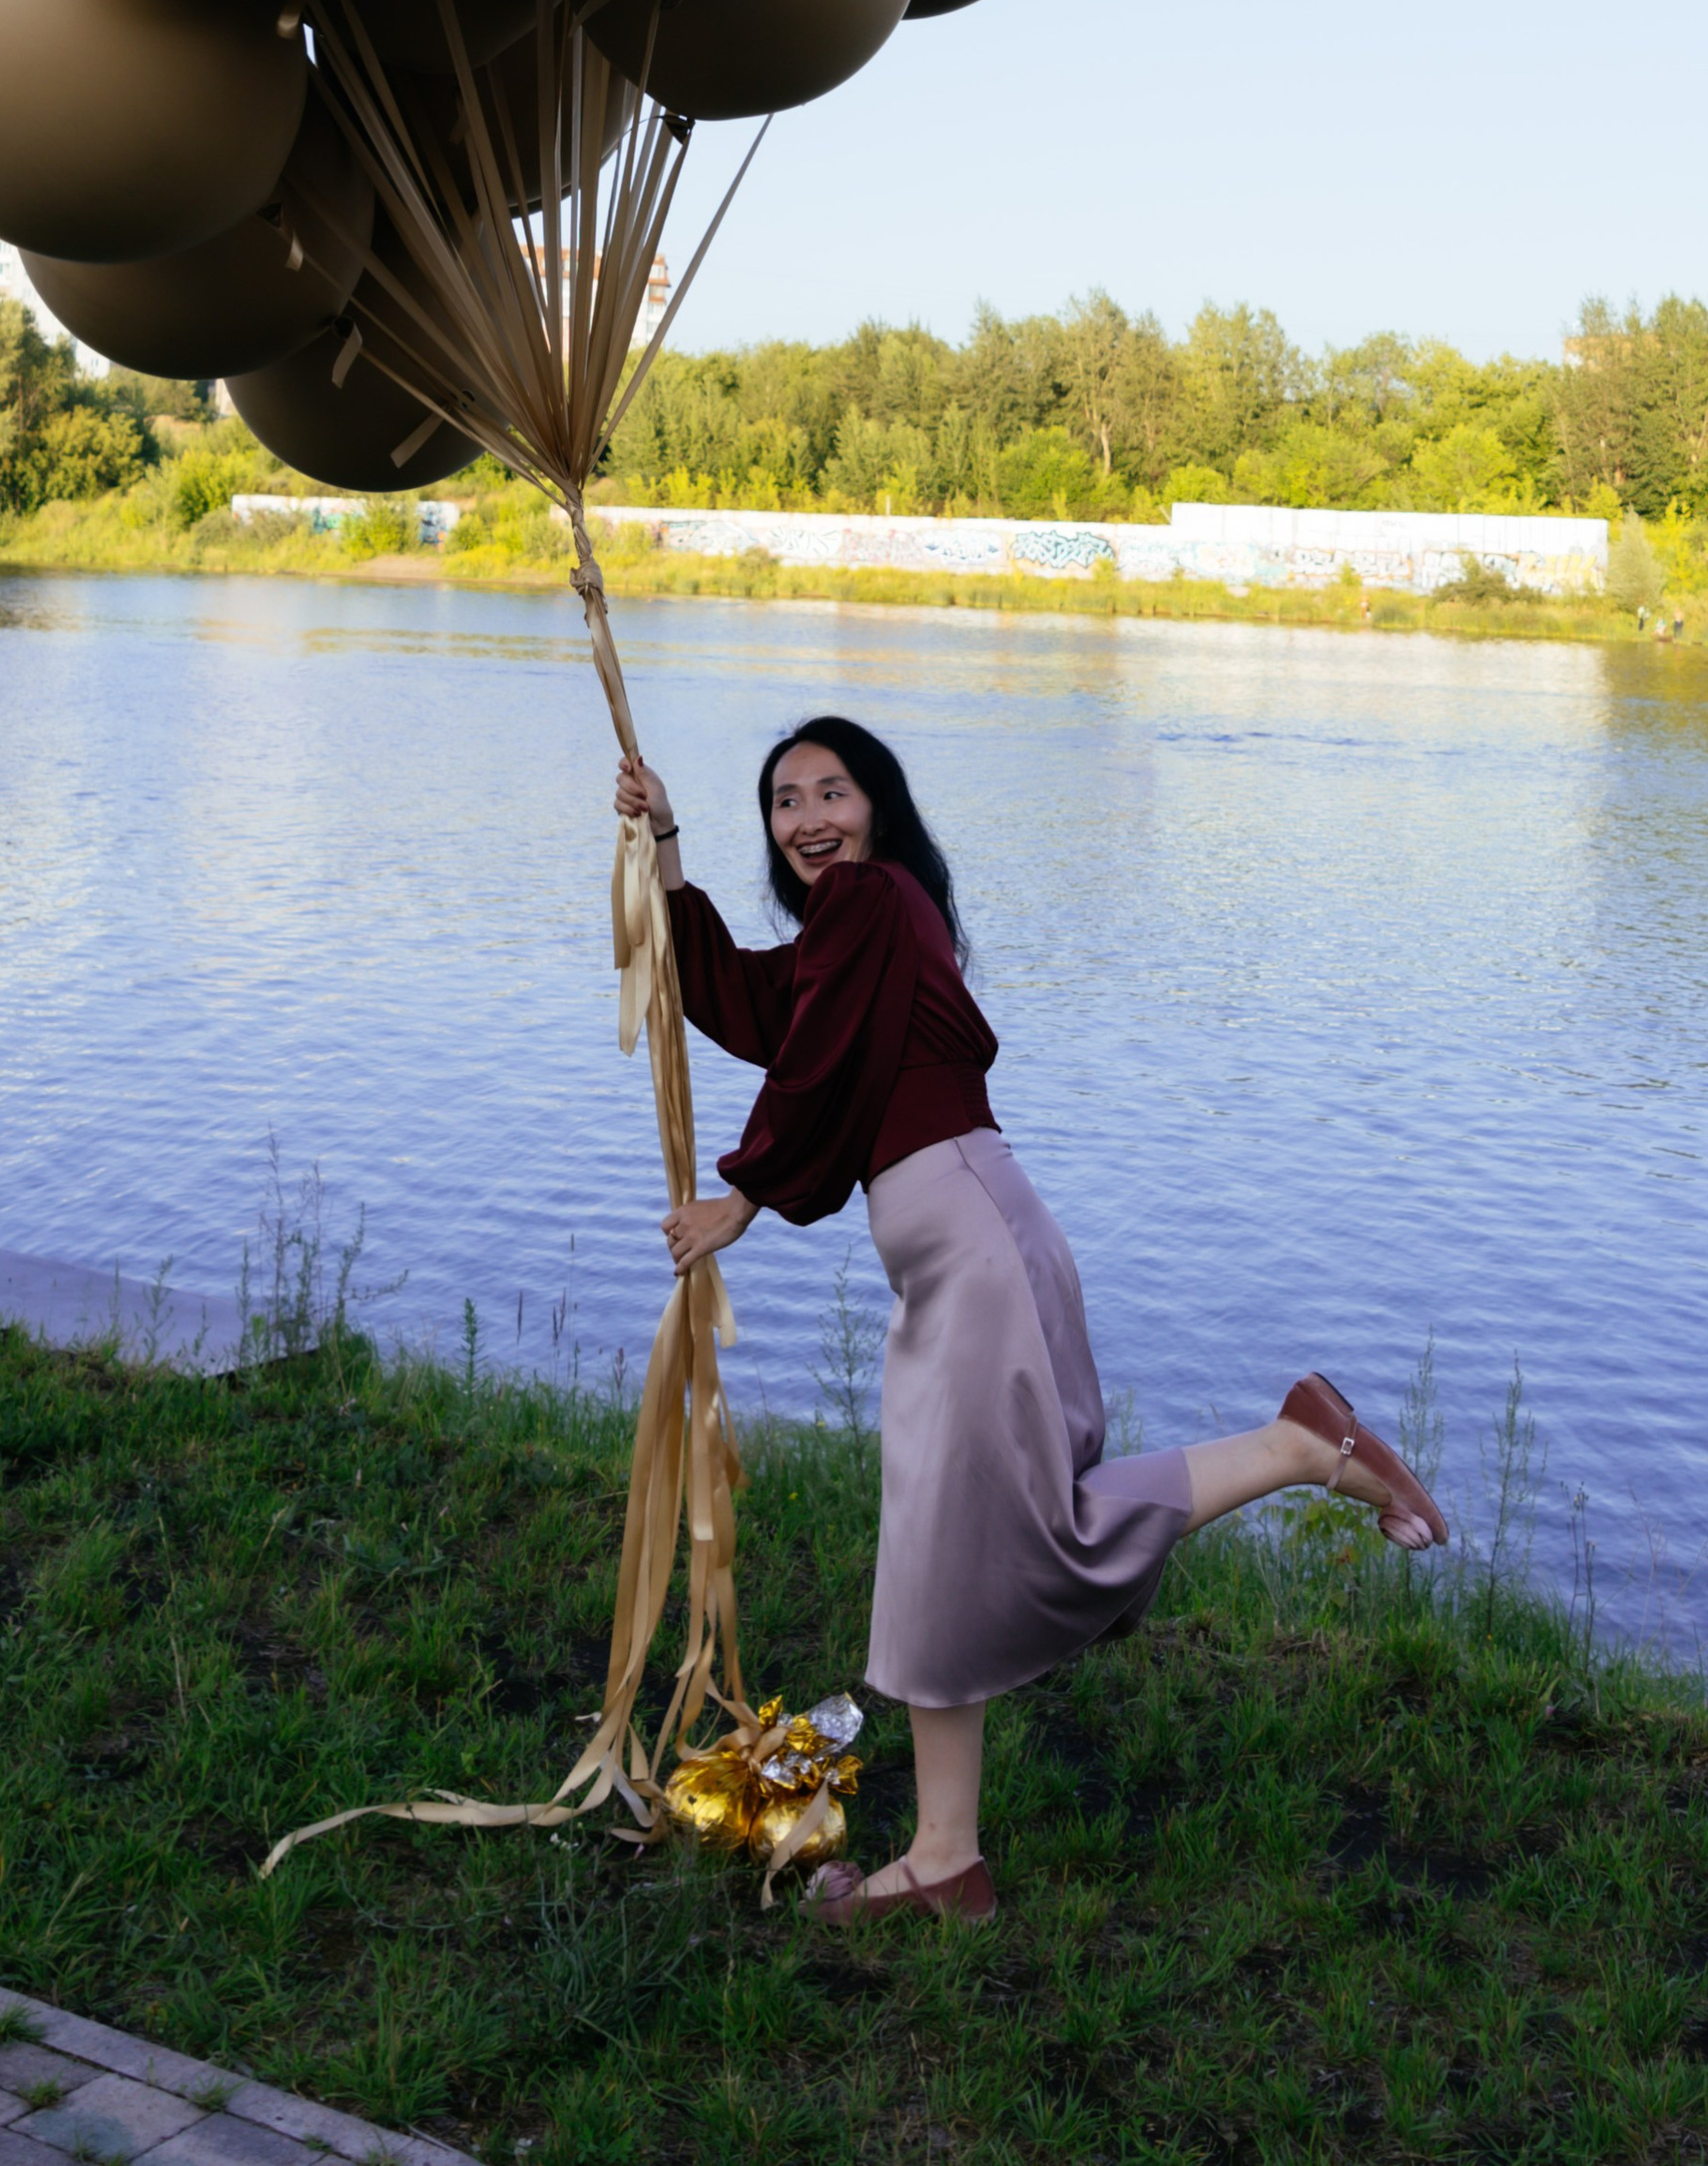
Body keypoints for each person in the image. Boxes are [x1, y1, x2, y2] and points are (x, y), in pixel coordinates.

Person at [613, 713, 1448, 1932]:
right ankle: (947, 1858)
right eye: (783, 803)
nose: (806, 820)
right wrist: (669, 844)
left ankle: (1297, 1450)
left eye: (830, 793)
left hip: (972, 1252)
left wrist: (743, 1195)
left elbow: (818, 1070)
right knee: (953, 1547)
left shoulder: (880, 899)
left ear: (878, 808)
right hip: (970, 1249)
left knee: (994, 1538)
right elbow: (747, 1003)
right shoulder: (859, 926)